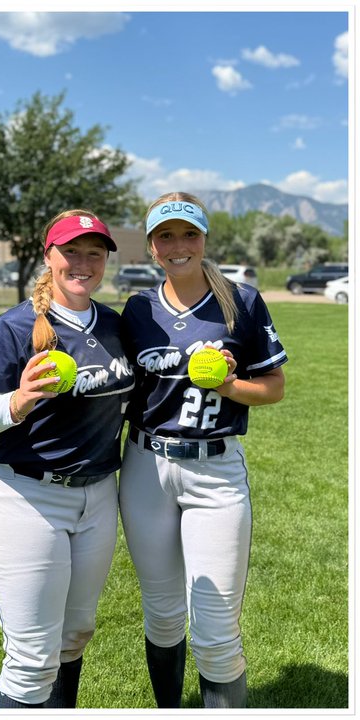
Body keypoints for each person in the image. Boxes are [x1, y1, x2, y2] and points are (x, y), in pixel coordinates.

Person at [0, 211, 132, 707]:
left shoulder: (115, 327)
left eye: (94, 252)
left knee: (74, 635)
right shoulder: (14, 327)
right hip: (26, 495)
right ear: (48, 256)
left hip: (98, 495)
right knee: (32, 657)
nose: (83, 262)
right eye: (71, 250)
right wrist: (17, 402)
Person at [119, 193, 286, 709]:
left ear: (204, 239)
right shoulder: (138, 309)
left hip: (215, 471)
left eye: (188, 234)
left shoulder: (242, 300)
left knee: (214, 632)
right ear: (151, 246)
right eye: (165, 236)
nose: (178, 246)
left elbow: (274, 386)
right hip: (146, 468)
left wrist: (232, 387)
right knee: (163, 614)